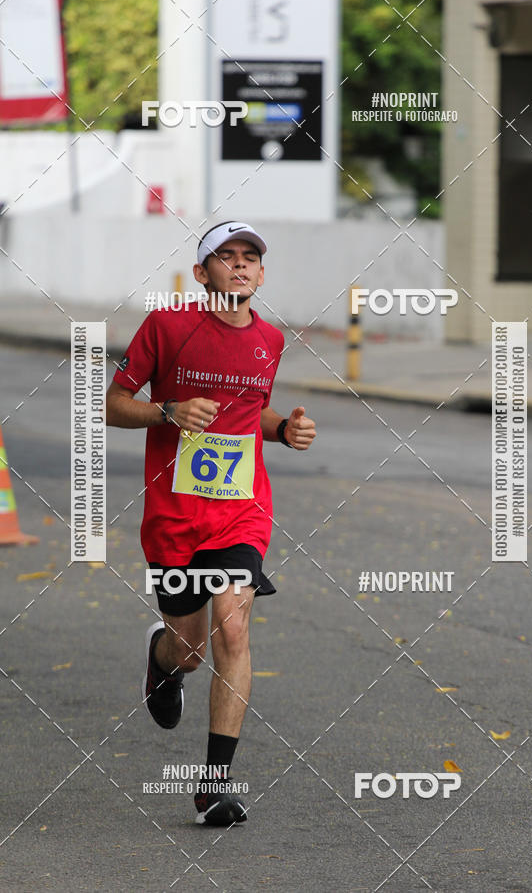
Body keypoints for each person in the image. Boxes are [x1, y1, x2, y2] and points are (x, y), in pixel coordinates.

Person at [105, 220, 316, 825]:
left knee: (234, 626)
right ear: (202, 273)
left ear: (261, 274)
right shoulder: (166, 327)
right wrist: (168, 410)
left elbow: (251, 414)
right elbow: (113, 405)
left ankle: (213, 786)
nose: (240, 265)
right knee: (191, 650)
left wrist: (284, 430)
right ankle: (162, 659)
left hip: (239, 513)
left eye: (251, 257)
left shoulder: (269, 339)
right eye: (227, 256)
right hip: (173, 518)